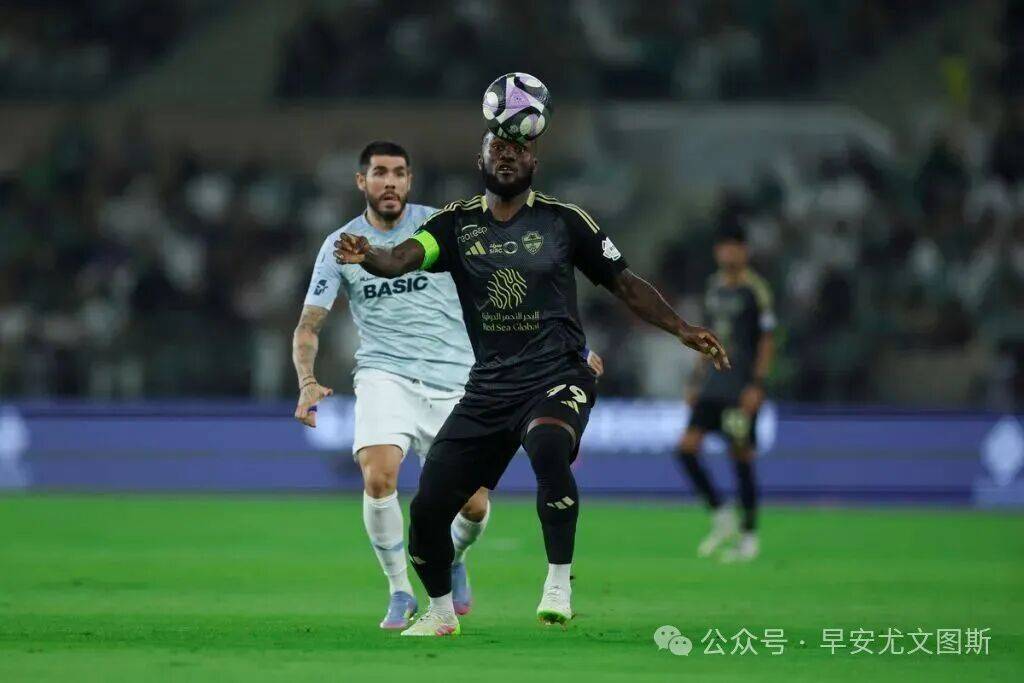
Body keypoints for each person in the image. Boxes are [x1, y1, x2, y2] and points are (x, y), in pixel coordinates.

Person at [335, 131, 729, 636]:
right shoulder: (454, 225)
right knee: (428, 510)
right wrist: (369, 254)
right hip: (489, 389)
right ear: (479, 160)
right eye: (497, 150)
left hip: (557, 374)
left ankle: (558, 583)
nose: (507, 157)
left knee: (548, 444)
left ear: (534, 162)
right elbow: (399, 259)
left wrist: (682, 328)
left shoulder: (566, 221)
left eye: (517, 150)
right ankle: (440, 613)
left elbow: (625, 283)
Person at [677, 225, 775, 562]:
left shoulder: (756, 290)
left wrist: (757, 384)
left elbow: (766, 340)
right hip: (712, 385)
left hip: (738, 387)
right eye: (723, 247)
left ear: (744, 252)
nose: (728, 253)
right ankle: (721, 514)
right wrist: (695, 380)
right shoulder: (713, 288)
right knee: (686, 449)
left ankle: (749, 535)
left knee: (740, 455)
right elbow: (705, 337)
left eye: (734, 247)